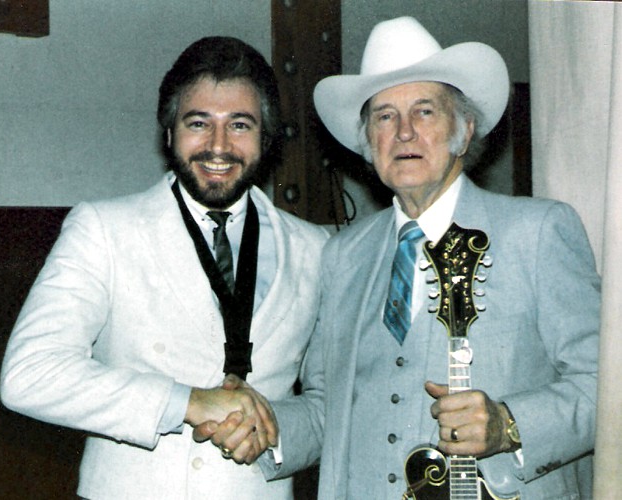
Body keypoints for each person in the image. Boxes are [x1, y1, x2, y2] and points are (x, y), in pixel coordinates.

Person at [209, 16, 598, 499]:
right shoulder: (343, 256)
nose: (405, 133)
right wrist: (265, 425)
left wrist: (508, 424)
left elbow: (605, 387)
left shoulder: (537, 232)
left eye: (425, 112)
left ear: (464, 130)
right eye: (385, 117)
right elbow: (329, 408)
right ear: (367, 144)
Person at [0, 36, 328, 500]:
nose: (218, 146)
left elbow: (332, 404)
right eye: (199, 123)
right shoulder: (103, 229)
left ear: (266, 139)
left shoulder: (316, 248)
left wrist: (274, 429)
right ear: (169, 133)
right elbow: (29, 374)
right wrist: (186, 403)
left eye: (239, 125)